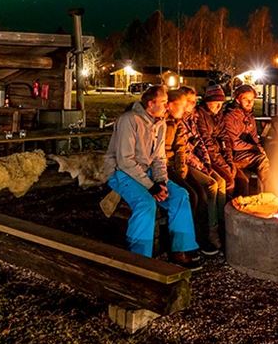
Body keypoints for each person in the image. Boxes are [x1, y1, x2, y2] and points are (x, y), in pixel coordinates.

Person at [103, 85, 201, 268]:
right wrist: (151, 187)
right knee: (146, 203)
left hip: (146, 172)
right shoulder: (129, 120)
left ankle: (180, 249)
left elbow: (159, 158)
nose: (167, 106)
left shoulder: (160, 123)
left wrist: (161, 181)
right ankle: (139, 256)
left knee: (180, 196)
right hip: (120, 172)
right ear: (150, 103)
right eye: (163, 102)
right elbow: (125, 160)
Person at [164, 88, 226, 254]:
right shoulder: (173, 121)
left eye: (191, 102)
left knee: (222, 182)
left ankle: (219, 227)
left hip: (188, 163)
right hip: (176, 165)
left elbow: (198, 143)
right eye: (187, 103)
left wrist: (207, 164)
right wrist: (198, 167)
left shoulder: (187, 119)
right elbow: (182, 151)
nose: (190, 106)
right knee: (201, 191)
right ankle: (202, 235)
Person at [194, 84, 250, 198]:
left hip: (221, 157)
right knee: (229, 182)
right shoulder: (200, 115)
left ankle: (241, 210)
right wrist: (224, 164)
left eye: (221, 103)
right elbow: (206, 142)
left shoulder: (218, 115)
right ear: (208, 102)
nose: (219, 106)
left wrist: (229, 161)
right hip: (209, 158)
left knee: (242, 180)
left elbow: (225, 138)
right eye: (215, 103)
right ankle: (226, 210)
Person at [222, 84, 271, 195]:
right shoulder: (229, 117)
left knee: (264, 157)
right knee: (260, 161)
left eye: (252, 100)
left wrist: (259, 147)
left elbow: (254, 139)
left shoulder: (249, 117)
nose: (250, 103)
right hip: (232, 155)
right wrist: (254, 147)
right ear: (238, 100)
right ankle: (270, 193)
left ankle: (267, 193)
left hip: (245, 154)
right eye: (245, 99)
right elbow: (234, 144)